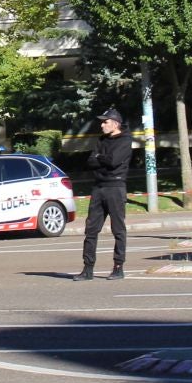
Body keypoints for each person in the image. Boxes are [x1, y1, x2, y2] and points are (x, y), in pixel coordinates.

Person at [76, 106, 131, 280]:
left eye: (105, 122)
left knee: (118, 229)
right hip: (99, 187)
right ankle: (88, 268)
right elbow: (91, 161)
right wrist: (101, 158)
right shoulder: (101, 140)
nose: (102, 125)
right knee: (91, 229)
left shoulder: (125, 140)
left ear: (115, 124)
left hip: (115, 187)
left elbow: (114, 161)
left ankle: (118, 266)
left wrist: (101, 158)